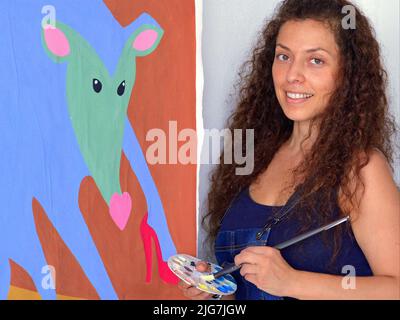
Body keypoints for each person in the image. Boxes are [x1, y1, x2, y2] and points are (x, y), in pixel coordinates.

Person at [178, 0, 399, 300]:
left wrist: (292, 282)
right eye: (284, 56)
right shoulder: (253, 158)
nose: (292, 74)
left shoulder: (361, 169)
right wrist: (221, 295)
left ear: (348, 74)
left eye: (315, 60)